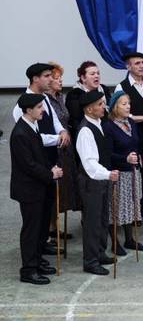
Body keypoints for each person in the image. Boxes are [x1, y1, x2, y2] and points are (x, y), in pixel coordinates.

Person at [12, 63, 71, 256]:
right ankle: (32, 258)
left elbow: (54, 121)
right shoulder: (21, 107)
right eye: (46, 76)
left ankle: (42, 246)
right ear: (35, 79)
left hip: (49, 163)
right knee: (34, 218)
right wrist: (57, 139)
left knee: (46, 208)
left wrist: (62, 130)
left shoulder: (44, 99)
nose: (51, 79)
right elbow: (33, 138)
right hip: (35, 169)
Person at [10, 93, 64, 285]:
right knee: (31, 230)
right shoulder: (20, 133)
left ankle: (37, 260)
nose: (43, 110)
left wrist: (50, 169)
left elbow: (38, 158)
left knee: (41, 227)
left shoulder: (32, 127)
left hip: (40, 187)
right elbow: (28, 165)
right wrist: (51, 174)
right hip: (29, 190)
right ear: (28, 110)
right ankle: (28, 269)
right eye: (39, 107)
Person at [76, 90, 119, 275]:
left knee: (102, 218)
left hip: (101, 180)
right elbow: (90, 163)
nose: (104, 107)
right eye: (100, 104)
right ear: (89, 108)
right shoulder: (86, 130)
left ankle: (100, 252)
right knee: (92, 222)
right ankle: (90, 261)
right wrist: (108, 174)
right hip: (91, 182)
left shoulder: (99, 123)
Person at [114, 52, 143, 219]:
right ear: (128, 66)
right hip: (132, 134)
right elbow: (119, 113)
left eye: (142, 63)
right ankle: (135, 212)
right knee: (135, 172)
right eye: (137, 63)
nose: (141, 66)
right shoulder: (121, 87)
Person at [102, 92, 143, 255]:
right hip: (118, 174)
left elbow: (136, 143)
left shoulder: (131, 123)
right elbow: (107, 153)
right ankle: (114, 243)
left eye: (128, 103)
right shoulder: (108, 127)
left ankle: (129, 239)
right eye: (123, 104)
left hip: (133, 172)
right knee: (115, 209)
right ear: (114, 107)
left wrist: (138, 156)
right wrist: (125, 158)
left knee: (131, 206)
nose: (128, 106)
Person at [46, 62, 81, 238]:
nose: (60, 82)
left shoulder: (60, 97)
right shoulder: (44, 100)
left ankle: (55, 227)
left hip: (66, 148)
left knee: (64, 188)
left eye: (61, 78)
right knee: (54, 188)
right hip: (54, 148)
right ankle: (50, 228)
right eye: (57, 78)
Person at [65, 61, 110, 138]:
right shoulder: (74, 95)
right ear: (83, 78)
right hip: (87, 135)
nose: (96, 76)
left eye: (98, 73)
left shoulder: (104, 89)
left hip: (107, 132)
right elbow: (77, 121)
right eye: (92, 74)